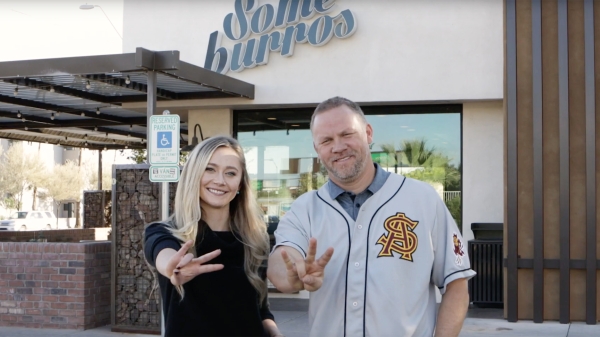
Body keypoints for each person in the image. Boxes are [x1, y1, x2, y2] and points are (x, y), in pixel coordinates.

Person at [267, 97, 476, 337]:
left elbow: (457, 284)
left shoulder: (422, 199)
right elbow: (280, 262)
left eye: (347, 134)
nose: (338, 147)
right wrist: (294, 272)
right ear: (317, 149)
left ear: (368, 133)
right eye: (326, 140)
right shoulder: (304, 208)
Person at [144, 136, 283, 337]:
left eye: (231, 173)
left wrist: (274, 332)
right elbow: (164, 255)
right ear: (194, 174)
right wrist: (172, 268)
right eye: (210, 169)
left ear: (240, 184)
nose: (220, 180)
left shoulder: (254, 240)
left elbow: (260, 310)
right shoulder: (167, 233)